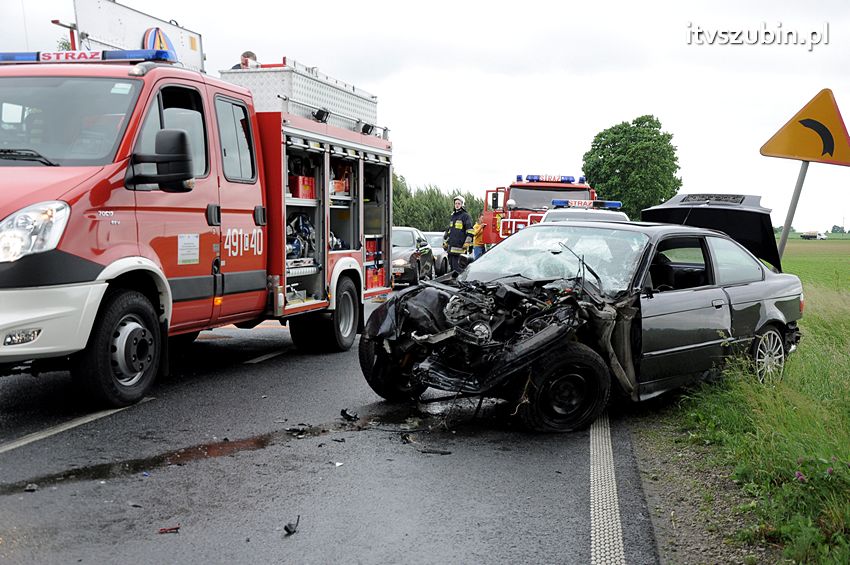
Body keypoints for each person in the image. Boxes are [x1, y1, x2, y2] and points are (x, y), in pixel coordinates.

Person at [443, 195, 474, 273]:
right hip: (451, 248)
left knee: (458, 268)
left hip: (460, 247)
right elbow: (450, 232)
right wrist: (446, 242)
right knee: (451, 268)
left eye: (459, 203)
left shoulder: (466, 216)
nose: (457, 205)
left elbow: (470, 231)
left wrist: (467, 243)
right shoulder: (453, 216)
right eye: (456, 203)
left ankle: (460, 280)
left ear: (462, 205)